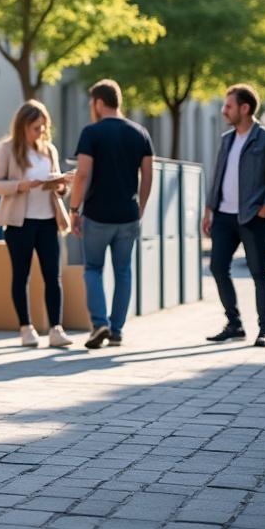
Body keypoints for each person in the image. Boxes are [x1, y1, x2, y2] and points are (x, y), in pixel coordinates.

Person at [68, 80, 154, 350]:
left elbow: (82, 174)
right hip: (128, 215)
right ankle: (116, 331)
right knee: (123, 272)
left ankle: (99, 323)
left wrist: (73, 208)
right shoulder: (140, 133)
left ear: (98, 103)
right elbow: (149, 174)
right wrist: (140, 206)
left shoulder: (91, 133)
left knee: (93, 269)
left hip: (97, 215)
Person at [203, 84, 265, 348]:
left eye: (228, 106)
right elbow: (218, 176)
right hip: (224, 217)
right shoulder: (227, 139)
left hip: (252, 217)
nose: (224, 111)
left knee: (259, 273)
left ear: (245, 108)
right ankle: (234, 324)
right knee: (217, 267)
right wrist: (209, 209)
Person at [0, 100, 75, 347]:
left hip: (48, 221)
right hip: (19, 223)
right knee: (21, 275)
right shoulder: (7, 150)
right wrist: (20, 186)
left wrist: (60, 186)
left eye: (44, 127)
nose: (41, 132)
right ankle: (26, 328)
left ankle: (56, 329)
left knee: (52, 275)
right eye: (37, 127)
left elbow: (59, 191)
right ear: (23, 126)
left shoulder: (50, 150)